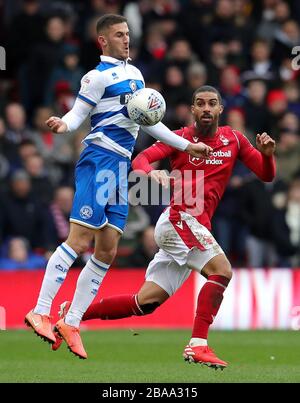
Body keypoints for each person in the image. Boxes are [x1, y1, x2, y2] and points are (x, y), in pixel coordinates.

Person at [24, 14, 212, 360]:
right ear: (103, 41)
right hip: (99, 160)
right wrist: (62, 125)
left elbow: (151, 125)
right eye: (119, 35)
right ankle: (40, 309)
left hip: (121, 166)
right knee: (79, 240)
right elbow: (78, 114)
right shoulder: (95, 78)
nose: (127, 39)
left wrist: (188, 145)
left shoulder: (137, 76)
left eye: (128, 34)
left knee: (108, 249)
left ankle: (73, 321)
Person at [52, 85, 276, 368]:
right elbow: (140, 159)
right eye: (200, 104)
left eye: (212, 104)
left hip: (194, 226)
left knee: (145, 302)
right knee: (222, 271)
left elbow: (266, 175)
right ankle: (198, 345)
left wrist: (267, 155)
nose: (206, 108)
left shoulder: (235, 139)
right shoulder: (179, 138)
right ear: (192, 110)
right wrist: (151, 172)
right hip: (180, 219)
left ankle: (73, 313)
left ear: (221, 109)